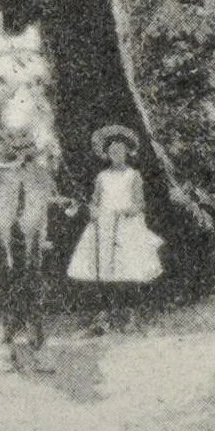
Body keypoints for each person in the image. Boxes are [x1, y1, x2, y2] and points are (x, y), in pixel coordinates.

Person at [66, 124, 161, 329]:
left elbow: (140, 203)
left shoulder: (133, 175)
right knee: (104, 270)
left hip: (126, 224)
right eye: (112, 151)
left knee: (130, 270)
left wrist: (126, 209)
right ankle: (108, 315)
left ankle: (132, 316)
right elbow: (96, 201)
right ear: (107, 154)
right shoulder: (102, 177)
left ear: (127, 151)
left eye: (120, 150)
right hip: (105, 224)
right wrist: (92, 209)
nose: (116, 154)